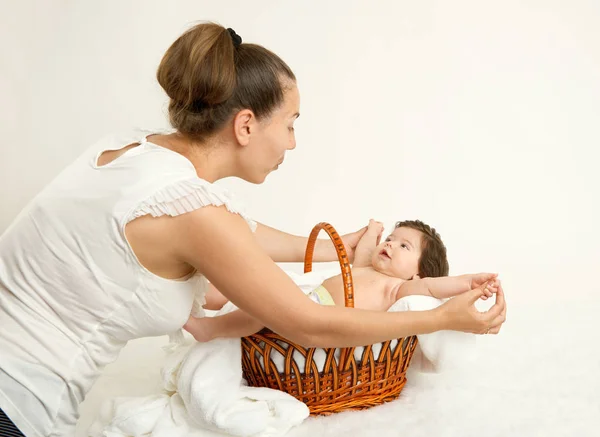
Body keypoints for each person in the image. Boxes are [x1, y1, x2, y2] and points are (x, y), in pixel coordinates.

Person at [0, 22, 506, 437]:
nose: (291, 142)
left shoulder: (135, 149)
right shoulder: (195, 214)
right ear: (245, 126)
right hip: (16, 400)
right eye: (290, 123)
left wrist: (336, 250)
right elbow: (310, 324)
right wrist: (440, 320)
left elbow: (239, 230)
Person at [184, 219, 502, 341]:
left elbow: (435, 287)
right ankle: (204, 295)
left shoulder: (401, 288)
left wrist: (469, 282)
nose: (389, 244)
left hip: (317, 314)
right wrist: (374, 230)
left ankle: (209, 329)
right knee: (255, 278)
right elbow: (361, 251)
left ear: (417, 272)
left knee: (260, 308)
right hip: (304, 296)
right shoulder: (366, 268)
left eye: (403, 245)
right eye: (391, 238)